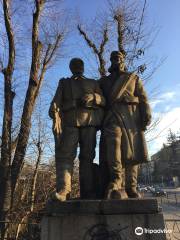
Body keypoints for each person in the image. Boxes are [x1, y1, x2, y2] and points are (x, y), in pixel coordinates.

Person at [49, 58, 105, 201]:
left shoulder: (93, 83)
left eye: (79, 65)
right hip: (70, 123)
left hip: (89, 123)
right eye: (74, 65)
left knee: (87, 157)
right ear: (70, 68)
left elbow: (104, 101)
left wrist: (94, 97)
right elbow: (55, 106)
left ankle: (88, 191)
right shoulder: (64, 83)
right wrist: (71, 104)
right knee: (65, 156)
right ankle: (64, 190)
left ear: (83, 67)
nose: (77, 67)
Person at [99, 51, 151, 199]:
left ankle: (131, 186)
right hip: (112, 116)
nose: (116, 60)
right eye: (114, 58)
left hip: (131, 117)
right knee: (113, 145)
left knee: (132, 151)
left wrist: (146, 111)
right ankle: (115, 180)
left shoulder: (133, 78)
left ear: (123, 60)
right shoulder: (103, 81)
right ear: (110, 61)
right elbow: (98, 97)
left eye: (119, 58)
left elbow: (143, 98)